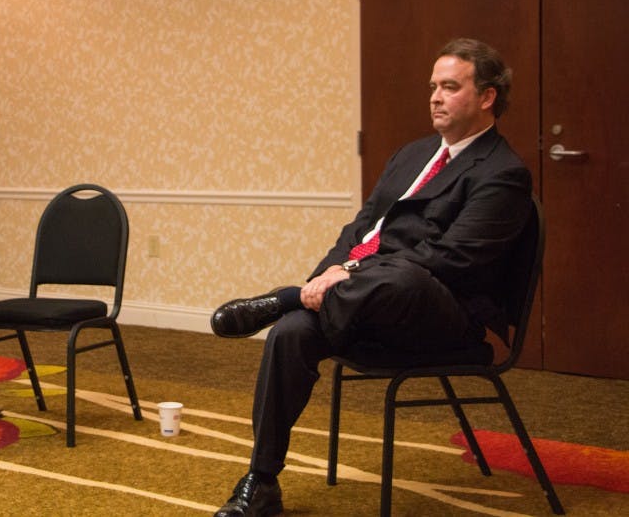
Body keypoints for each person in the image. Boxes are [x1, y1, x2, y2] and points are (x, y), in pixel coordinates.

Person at [209, 38, 531, 516]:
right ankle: (262, 480)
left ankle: (285, 297)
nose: (435, 98)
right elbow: (361, 228)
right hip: (368, 301)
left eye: (449, 87)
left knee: (403, 277)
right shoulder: (412, 154)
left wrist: (350, 273)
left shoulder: (503, 173)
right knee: (292, 331)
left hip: (441, 313)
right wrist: (328, 274)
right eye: (432, 87)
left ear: (487, 97)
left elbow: (452, 260)